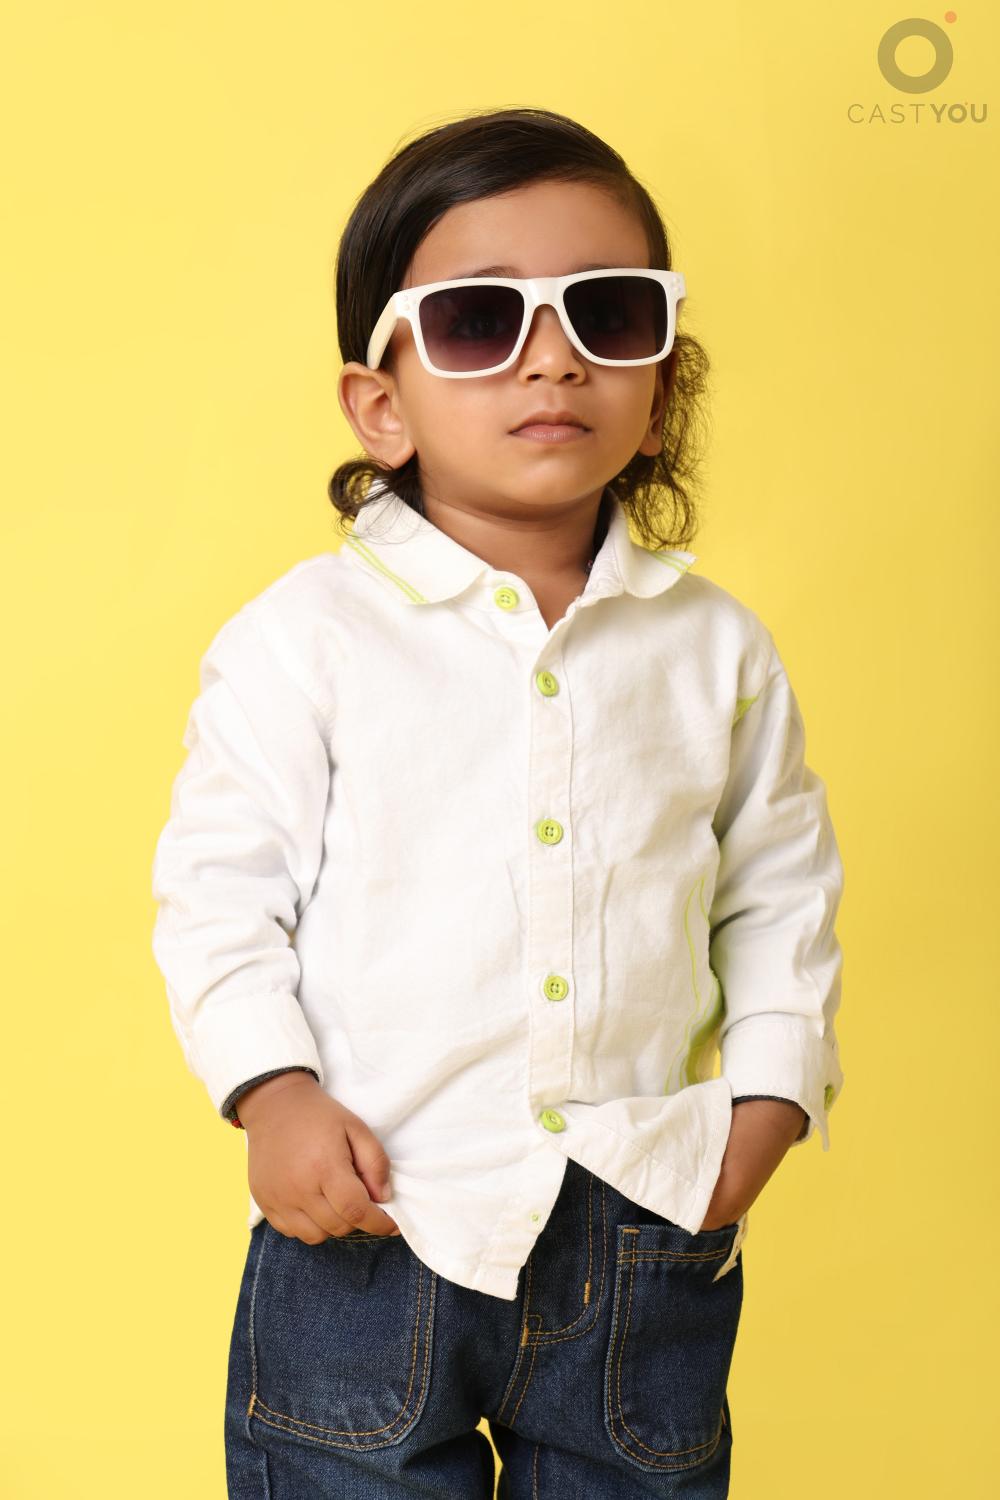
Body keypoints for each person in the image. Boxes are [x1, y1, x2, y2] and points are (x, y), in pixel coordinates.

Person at [150, 106, 845, 1499]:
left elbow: (780, 888)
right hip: (377, 1218)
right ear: (381, 405)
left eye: (608, 313)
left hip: (644, 1218)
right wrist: (273, 1092)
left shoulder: (716, 649)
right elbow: (220, 894)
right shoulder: (303, 642)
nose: (553, 356)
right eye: (479, 321)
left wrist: (771, 1096)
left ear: (663, 379)